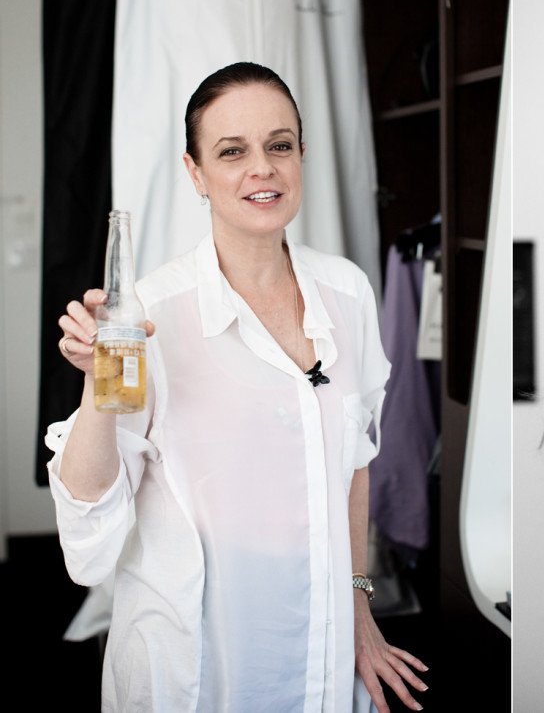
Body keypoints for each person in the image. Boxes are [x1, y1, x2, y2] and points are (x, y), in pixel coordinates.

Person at [47, 62, 427, 713]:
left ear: (301, 154)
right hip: (197, 672)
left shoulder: (347, 293)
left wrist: (360, 607)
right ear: (195, 172)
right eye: (232, 151)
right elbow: (89, 541)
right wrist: (95, 386)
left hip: (324, 661)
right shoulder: (148, 313)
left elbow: (354, 464)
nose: (263, 168)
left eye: (279, 145)